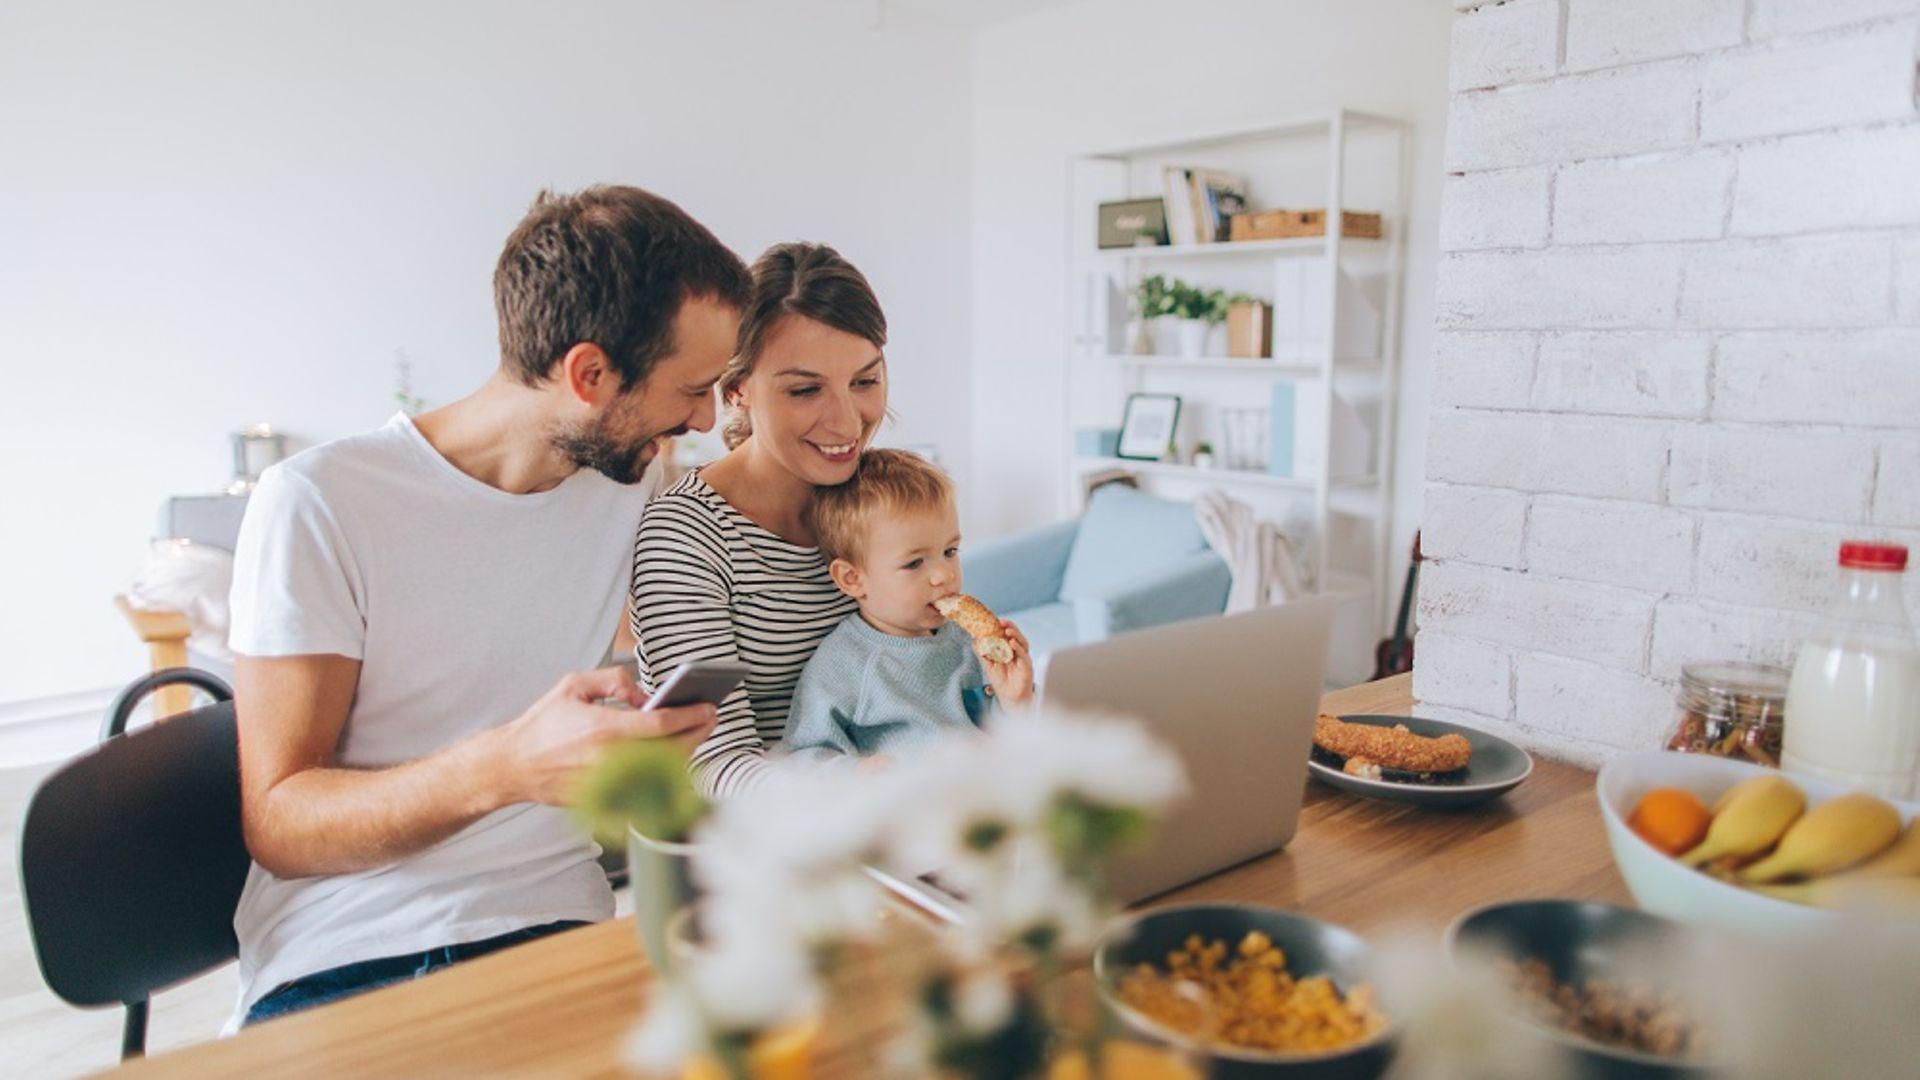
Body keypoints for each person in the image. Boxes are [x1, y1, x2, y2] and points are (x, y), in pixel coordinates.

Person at [227, 185, 748, 1024]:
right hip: (354, 952)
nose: (707, 417)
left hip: (559, 932)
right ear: (589, 374)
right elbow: (280, 824)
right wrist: (505, 768)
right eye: (693, 388)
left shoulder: (633, 480)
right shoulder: (321, 501)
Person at [629, 242, 888, 798]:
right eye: (805, 389)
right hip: (765, 845)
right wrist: (857, 789)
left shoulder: (883, 500)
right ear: (737, 389)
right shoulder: (686, 537)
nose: (847, 422)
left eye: (865, 382)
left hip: (899, 820)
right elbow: (713, 763)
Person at [782, 449, 1033, 767]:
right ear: (853, 578)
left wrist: (1014, 701)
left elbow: (1007, 739)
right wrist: (855, 772)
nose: (944, 575)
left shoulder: (968, 643)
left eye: (949, 551)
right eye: (914, 563)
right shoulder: (843, 664)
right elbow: (803, 756)